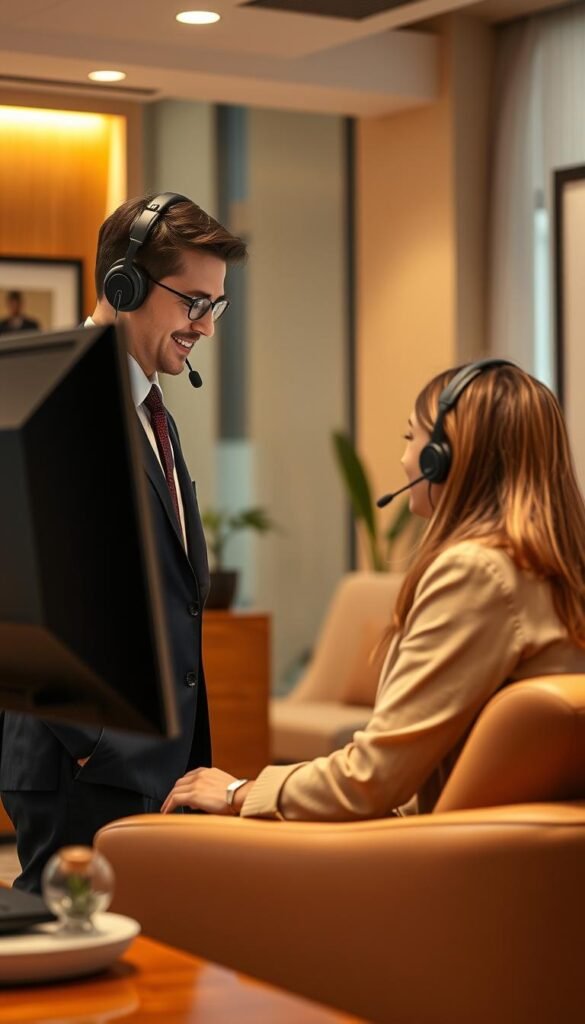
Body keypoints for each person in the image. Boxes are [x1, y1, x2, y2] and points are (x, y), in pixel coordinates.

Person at [162, 359, 585, 821]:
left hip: (432, 865)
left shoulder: (477, 575)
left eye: (411, 438)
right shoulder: (550, 570)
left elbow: (371, 778)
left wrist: (237, 792)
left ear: (440, 459)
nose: (405, 459)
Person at [0, 192, 247, 891]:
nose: (204, 325)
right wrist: (96, 747)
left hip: (152, 758)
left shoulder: (147, 408)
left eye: (215, 306)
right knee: (74, 964)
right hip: (90, 764)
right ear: (124, 285)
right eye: (193, 302)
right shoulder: (52, 392)